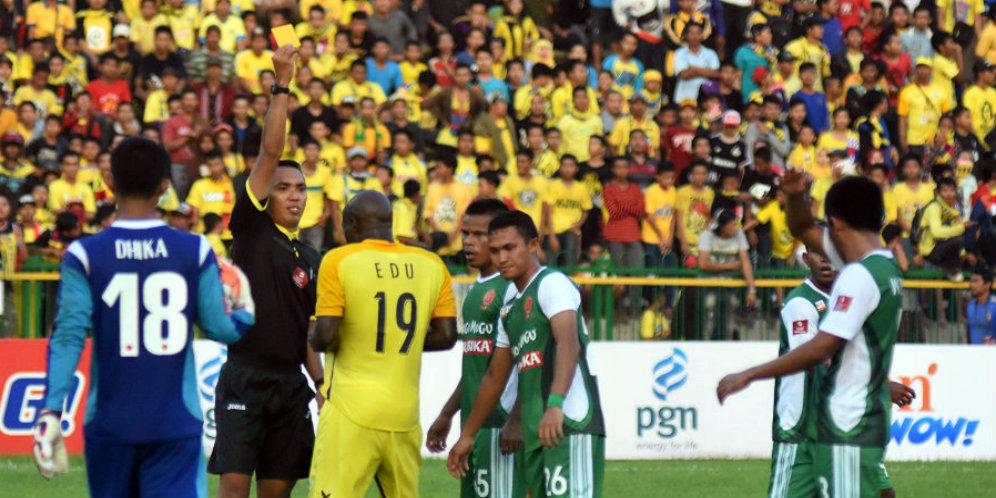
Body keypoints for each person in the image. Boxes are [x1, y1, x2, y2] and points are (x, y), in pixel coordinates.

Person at [31, 136, 253, 495]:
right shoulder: (194, 248)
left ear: (109, 183)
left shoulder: (84, 254)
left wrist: (50, 411)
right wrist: (246, 312)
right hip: (174, 421)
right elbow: (220, 328)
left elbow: (68, 336)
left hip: (109, 421)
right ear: (165, 188)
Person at [718, 169, 903, 498]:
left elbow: (820, 350)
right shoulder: (880, 265)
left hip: (847, 425)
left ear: (837, 223)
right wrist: (793, 196)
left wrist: (749, 374)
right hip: (824, 425)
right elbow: (802, 227)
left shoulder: (859, 275)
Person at [209, 45, 325, 498]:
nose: (294, 196)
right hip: (245, 377)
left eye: (301, 189)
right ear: (265, 194)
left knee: (276, 495)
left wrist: (320, 384)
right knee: (235, 492)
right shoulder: (253, 230)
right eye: (283, 188)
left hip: (291, 386)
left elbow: (307, 335)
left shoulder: (313, 259)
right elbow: (271, 150)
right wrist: (282, 85)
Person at [308, 189, 458, 498]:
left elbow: (325, 337)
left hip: (350, 411)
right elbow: (446, 336)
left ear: (351, 223)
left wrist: (307, 333)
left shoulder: (338, 259)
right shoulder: (431, 264)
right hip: (404, 415)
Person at [447, 210, 606, 498]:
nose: (502, 258)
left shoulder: (552, 284)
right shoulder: (510, 302)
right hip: (535, 434)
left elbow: (568, 344)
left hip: (568, 425)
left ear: (533, 246)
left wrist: (556, 404)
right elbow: (495, 375)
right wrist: (468, 434)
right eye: (495, 251)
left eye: (510, 248)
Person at [426, 198, 525, 498]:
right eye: (466, 233)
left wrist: (517, 420)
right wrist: (447, 413)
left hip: (502, 426)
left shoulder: (511, 289)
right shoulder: (476, 291)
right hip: (474, 425)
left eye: (479, 235)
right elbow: (478, 365)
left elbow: (531, 362)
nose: (468, 242)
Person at [967, 268, 996, 344]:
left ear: (987, 284)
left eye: (976, 281)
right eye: (971, 281)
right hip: (975, 353)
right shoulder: (970, 306)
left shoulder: (994, 305)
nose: (972, 285)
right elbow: (969, 333)